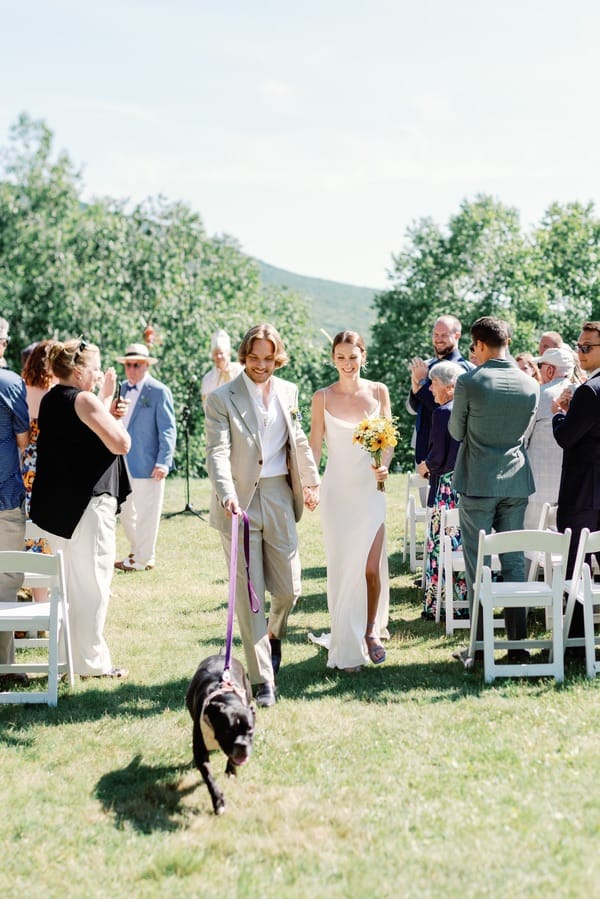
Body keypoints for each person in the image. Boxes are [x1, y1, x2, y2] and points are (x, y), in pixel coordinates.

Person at [205, 322, 320, 707]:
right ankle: (262, 681)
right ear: (244, 356)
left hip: (278, 494)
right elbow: (217, 452)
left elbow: (298, 438)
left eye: (268, 358)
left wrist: (311, 480)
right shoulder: (222, 397)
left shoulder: (288, 391)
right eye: (254, 357)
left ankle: (274, 634)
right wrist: (226, 495)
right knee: (249, 595)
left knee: (289, 589)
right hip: (238, 501)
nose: (260, 365)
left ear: (277, 358)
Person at [30, 339, 131, 678]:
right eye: (94, 368)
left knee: (70, 586)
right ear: (77, 371)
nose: (99, 373)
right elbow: (122, 443)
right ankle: (91, 663)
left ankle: (68, 658)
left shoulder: (51, 400)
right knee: (94, 585)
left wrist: (103, 405)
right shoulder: (84, 398)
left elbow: (78, 437)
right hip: (87, 506)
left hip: (60, 509)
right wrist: (104, 398)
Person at [449, 317, 539, 663]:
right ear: (508, 341)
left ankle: (481, 645)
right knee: (514, 560)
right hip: (516, 479)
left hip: (478, 481)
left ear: (480, 344)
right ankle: (518, 645)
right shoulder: (529, 384)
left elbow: (457, 431)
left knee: (477, 562)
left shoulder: (470, 381)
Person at [308, 330, 392, 671]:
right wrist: (310, 482)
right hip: (337, 493)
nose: (347, 364)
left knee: (371, 568)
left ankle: (371, 630)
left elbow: (388, 440)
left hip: (370, 490)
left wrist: (384, 467)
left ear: (363, 356)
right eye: (340, 357)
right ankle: (346, 644)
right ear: (333, 359)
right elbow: (314, 444)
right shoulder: (321, 397)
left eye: (353, 357)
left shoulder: (378, 392)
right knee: (344, 571)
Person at [552, 321, 600, 646]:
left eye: (586, 347)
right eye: (579, 346)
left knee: (576, 565)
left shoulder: (588, 390)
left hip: (583, 493)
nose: (580, 352)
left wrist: (559, 414)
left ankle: (577, 642)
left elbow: (568, 437)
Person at [113, 343, 177, 572]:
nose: (131, 369)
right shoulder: (120, 388)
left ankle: (144, 558)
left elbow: (168, 429)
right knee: (126, 511)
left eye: (136, 364)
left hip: (148, 461)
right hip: (121, 461)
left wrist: (163, 461)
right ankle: (137, 550)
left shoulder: (159, 391)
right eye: (128, 364)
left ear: (146, 365)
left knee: (148, 512)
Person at [417, 360, 465, 619]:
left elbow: (436, 457)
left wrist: (423, 467)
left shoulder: (443, 413)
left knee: (439, 545)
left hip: (445, 487)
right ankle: (462, 601)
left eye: (433, 383)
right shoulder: (468, 410)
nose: (430, 389)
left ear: (449, 386)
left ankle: (437, 605)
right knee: (460, 545)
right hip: (465, 486)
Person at [407, 315, 472, 466]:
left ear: (457, 336)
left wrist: (422, 383)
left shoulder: (464, 370)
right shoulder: (426, 365)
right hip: (423, 450)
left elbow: (450, 409)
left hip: (448, 453)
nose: (438, 339)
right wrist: (415, 386)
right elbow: (414, 408)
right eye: (435, 334)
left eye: (444, 335)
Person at [20, 340, 58, 603]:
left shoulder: (21, 389)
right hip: (48, 467)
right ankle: (46, 601)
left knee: (31, 533)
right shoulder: (55, 392)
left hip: (25, 467)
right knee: (48, 531)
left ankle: (37, 597)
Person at [523, 345, 574, 529]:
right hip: (569, 484)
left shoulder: (538, 394)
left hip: (537, 484)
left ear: (550, 370)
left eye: (542, 365)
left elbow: (523, 437)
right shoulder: (580, 393)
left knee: (531, 540)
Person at [0, 361, 29, 680]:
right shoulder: (9, 382)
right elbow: (22, 440)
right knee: (6, 581)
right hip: (5, 495)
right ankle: (4, 668)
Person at [201, 329, 243, 411]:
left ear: (228, 354)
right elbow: (206, 407)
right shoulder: (207, 379)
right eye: (216, 354)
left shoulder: (240, 371)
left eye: (221, 353)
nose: (218, 356)